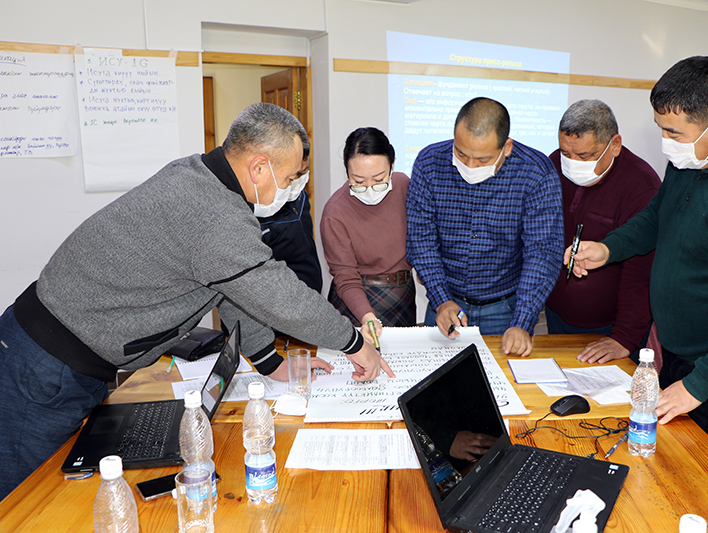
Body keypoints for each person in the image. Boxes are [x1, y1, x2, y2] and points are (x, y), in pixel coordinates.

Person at [0, 103, 393, 500]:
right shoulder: (213, 214)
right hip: (42, 366)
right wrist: (353, 343)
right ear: (260, 168)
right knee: (23, 500)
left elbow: (233, 288)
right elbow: (277, 294)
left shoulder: (199, 177)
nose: (294, 189)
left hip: (63, 360)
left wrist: (270, 363)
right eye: (291, 177)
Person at [568, 56, 708, 483]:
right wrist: (609, 248)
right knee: (675, 473)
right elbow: (657, 216)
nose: (665, 143)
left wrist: (699, 384)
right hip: (682, 352)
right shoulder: (693, 157)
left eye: (673, 132)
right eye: (661, 128)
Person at [406, 97, 563, 357]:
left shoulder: (535, 172)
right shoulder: (429, 163)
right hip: (444, 303)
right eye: (461, 154)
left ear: (506, 147)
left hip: (506, 309)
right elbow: (421, 240)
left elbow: (542, 252)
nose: (469, 166)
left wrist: (522, 321)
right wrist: (441, 299)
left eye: (482, 159)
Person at [546, 100, 660, 363]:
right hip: (556, 315)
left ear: (615, 145)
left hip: (611, 329)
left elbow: (641, 272)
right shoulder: (553, 164)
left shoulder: (641, 186)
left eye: (585, 156)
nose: (572, 163)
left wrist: (624, 337)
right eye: (566, 153)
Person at [321, 127, 415, 334]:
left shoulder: (404, 186)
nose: (370, 188)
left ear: (392, 165)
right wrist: (367, 317)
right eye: (359, 182)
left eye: (379, 180)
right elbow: (346, 277)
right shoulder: (335, 213)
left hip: (402, 294)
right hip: (357, 298)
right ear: (346, 171)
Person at [256, 135, 323, 294]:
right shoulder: (257, 206)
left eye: (303, 172)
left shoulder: (300, 196)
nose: (297, 181)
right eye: (293, 176)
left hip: (310, 295)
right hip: (278, 299)